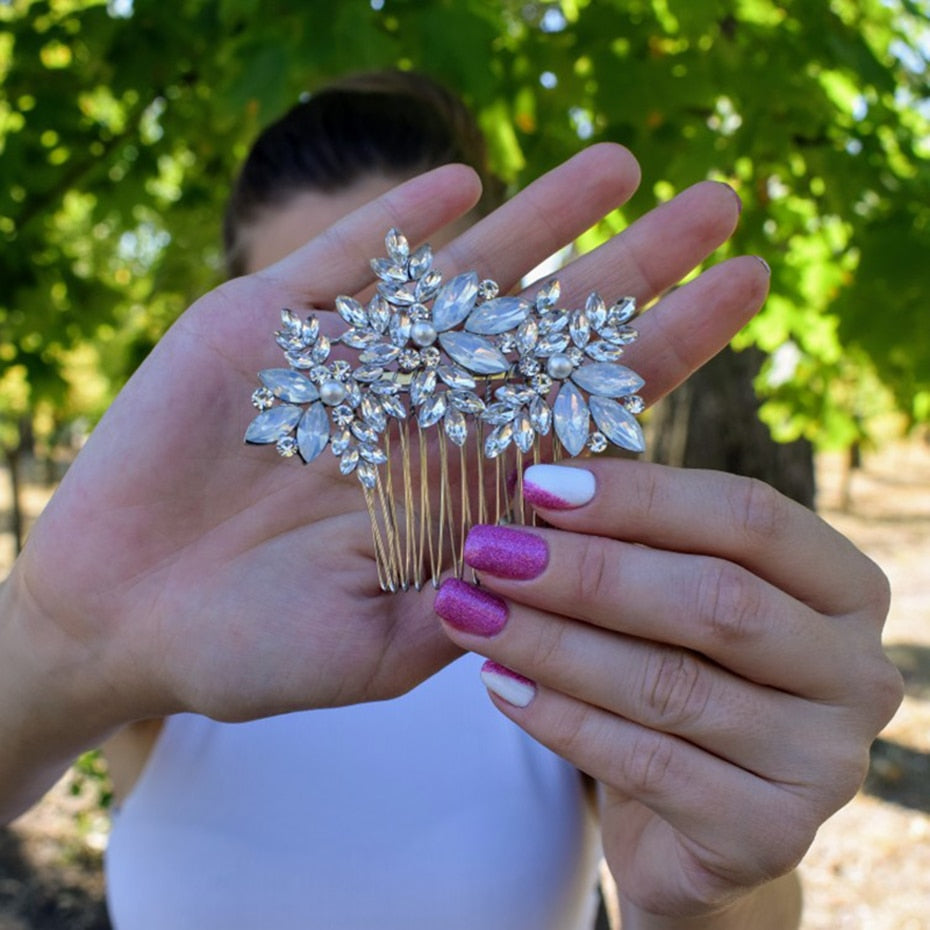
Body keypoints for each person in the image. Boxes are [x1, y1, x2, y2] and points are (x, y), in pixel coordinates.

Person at [0, 70, 902, 930]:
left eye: (439, 330)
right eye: (339, 332)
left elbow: (721, 897)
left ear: (513, 320)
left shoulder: (586, 635)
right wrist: (53, 639)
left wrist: (708, 898)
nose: (399, 396)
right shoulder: (157, 638)